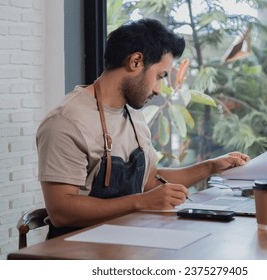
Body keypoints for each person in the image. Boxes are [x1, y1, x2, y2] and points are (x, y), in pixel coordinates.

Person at [36, 18, 250, 238]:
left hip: (129, 238)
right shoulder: (66, 122)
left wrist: (211, 167)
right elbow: (61, 211)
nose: (159, 90)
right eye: (159, 76)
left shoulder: (134, 115)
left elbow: (149, 181)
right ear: (136, 61)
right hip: (77, 250)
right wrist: (141, 202)